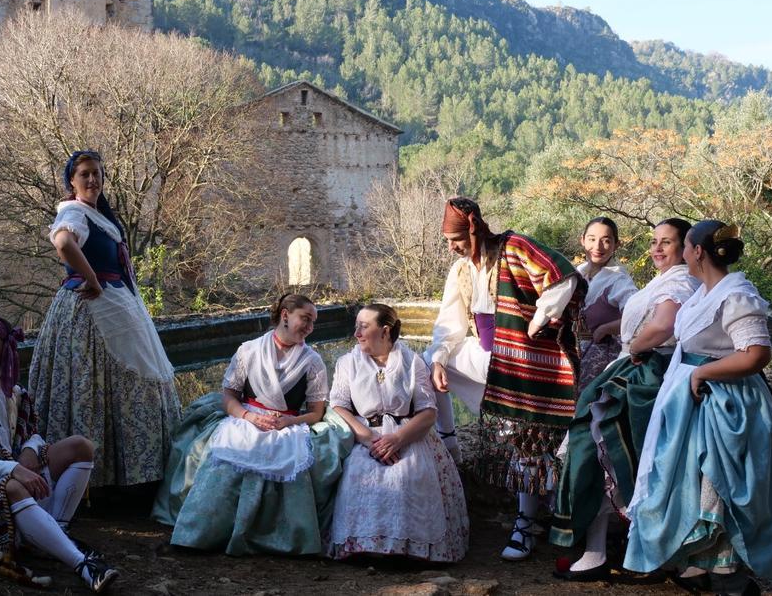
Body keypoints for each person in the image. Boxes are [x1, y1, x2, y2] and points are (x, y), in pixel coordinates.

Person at [624, 220, 772, 594]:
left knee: (718, 490)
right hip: (695, 404)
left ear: (697, 252)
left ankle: (730, 578)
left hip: (726, 405)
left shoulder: (737, 294)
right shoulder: (704, 293)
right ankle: (701, 568)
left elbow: (756, 355)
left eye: (686, 246)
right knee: (688, 486)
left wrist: (702, 373)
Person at [426, 196, 584, 561]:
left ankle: (525, 524)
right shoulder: (462, 270)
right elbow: (450, 323)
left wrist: (540, 317)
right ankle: (450, 443)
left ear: (474, 228)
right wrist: (439, 358)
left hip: (522, 362)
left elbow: (562, 277)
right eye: (448, 242)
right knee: (426, 364)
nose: (452, 248)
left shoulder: (515, 247)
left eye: (456, 240)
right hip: (485, 356)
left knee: (527, 441)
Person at [550, 219, 700, 579]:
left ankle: (631, 551)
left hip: (650, 372)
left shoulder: (679, 281)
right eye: (654, 242)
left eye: (668, 242)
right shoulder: (661, 280)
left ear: (687, 248)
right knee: (598, 450)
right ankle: (600, 549)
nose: (658, 249)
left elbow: (664, 326)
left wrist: (633, 346)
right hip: (634, 366)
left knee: (607, 448)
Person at [0, 314, 119, 592]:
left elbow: (32, 436)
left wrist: (28, 453)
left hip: (17, 475)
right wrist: (12, 469)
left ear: (6, 349)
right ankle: (82, 565)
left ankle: (54, 534)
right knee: (15, 486)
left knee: (81, 447)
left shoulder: (15, 392)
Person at [151, 294, 353, 556]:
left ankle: (277, 536)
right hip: (246, 417)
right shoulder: (249, 349)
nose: (310, 327)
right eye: (305, 319)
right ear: (285, 315)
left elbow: (316, 412)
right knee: (225, 453)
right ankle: (204, 531)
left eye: (313, 322)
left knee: (289, 458)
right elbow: (229, 396)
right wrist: (248, 417)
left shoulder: (312, 361)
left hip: (287, 424)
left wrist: (290, 421)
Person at [29, 150, 181, 488]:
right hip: (92, 307)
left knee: (130, 379)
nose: (92, 180)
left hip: (116, 301)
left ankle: (127, 473)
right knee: (96, 380)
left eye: (97, 173)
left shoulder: (99, 216)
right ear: (72, 180)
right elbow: (64, 243)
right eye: (84, 174)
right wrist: (93, 279)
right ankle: (100, 478)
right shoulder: (72, 211)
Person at [329, 304, 469, 562]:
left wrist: (397, 438)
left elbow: (428, 411)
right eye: (356, 326)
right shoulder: (347, 363)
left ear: (385, 331)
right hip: (365, 436)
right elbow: (337, 405)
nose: (356, 333)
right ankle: (365, 547)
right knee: (361, 475)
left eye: (364, 326)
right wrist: (368, 437)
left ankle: (410, 548)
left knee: (408, 475)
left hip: (408, 434)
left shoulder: (412, 361)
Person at [574, 217, 637, 391]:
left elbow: (638, 316)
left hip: (602, 358)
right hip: (574, 352)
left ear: (616, 245)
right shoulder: (578, 273)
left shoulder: (619, 281)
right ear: (583, 240)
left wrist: (606, 328)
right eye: (592, 239)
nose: (598, 247)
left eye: (606, 241)